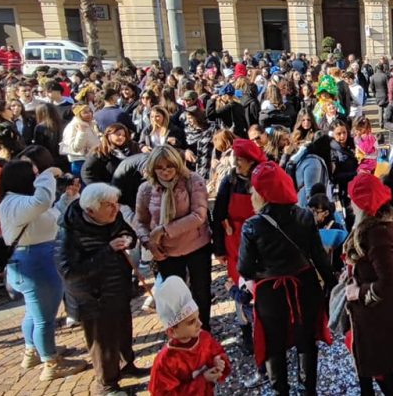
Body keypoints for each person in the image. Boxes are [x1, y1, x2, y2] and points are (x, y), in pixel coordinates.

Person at [237, 161, 333, 395]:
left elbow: (246, 268)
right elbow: (319, 257)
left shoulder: (253, 226)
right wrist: (330, 284)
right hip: (305, 286)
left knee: (274, 344)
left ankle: (280, 391)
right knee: (306, 341)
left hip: (272, 293)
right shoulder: (305, 216)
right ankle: (307, 390)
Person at [0, 161, 87, 380]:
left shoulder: (22, 202)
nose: (38, 180)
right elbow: (43, 201)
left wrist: (68, 196)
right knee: (44, 319)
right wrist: (48, 173)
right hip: (35, 262)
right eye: (34, 175)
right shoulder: (14, 202)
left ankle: (32, 351)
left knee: (34, 312)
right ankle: (50, 363)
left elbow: (52, 216)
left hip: (35, 260)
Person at [56, 183, 148, 395]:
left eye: (116, 204)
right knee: (102, 340)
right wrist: (107, 250)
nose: (115, 210)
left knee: (123, 329)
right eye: (109, 206)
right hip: (93, 296)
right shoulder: (69, 231)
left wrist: (129, 240)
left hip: (118, 287)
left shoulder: (111, 216)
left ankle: (127, 365)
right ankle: (106, 385)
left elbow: (128, 232)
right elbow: (68, 270)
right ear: (90, 210)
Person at [343, 173, 393, 395]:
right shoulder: (381, 223)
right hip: (371, 317)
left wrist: (359, 292)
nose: (350, 203)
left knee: (381, 370)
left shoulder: (377, 233)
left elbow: (388, 282)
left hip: (375, 317)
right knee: (370, 365)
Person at [135, 145, 212, 330]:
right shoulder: (146, 189)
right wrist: (150, 244)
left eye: (170, 166)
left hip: (196, 246)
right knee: (174, 294)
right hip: (166, 252)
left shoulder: (193, 181)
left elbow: (198, 216)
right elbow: (141, 222)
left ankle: (203, 329)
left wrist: (164, 230)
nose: (166, 171)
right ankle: (181, 330)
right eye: (160, 168)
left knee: (200, 291)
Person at [211, 138, 266, 354]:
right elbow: (218, 214)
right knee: (240, 284)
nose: (237, 163)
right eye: (237, 159)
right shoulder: (229, 181)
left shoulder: (261, 179)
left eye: (242, 159)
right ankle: (246, 332)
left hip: (260, 239)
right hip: (235, 241)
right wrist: (219, 249)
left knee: (261, 285)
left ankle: (266, 328)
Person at [149, 276, 231, 395]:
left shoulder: (204, 338)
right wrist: (203, 380)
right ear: (172, 331)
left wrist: (218, 361)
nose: (200, 323)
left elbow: (218, 352)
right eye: (191, 322)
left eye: (198, 317)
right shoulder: (166, 361)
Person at [61, 104, 100, 178]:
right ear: (78, 114)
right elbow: (75, 148)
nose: (89, 114)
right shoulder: (73, 126)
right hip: (80, 162)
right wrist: (81, 132)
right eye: (85, 112)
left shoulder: (89, 123)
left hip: (92, 160)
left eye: (90, 111)